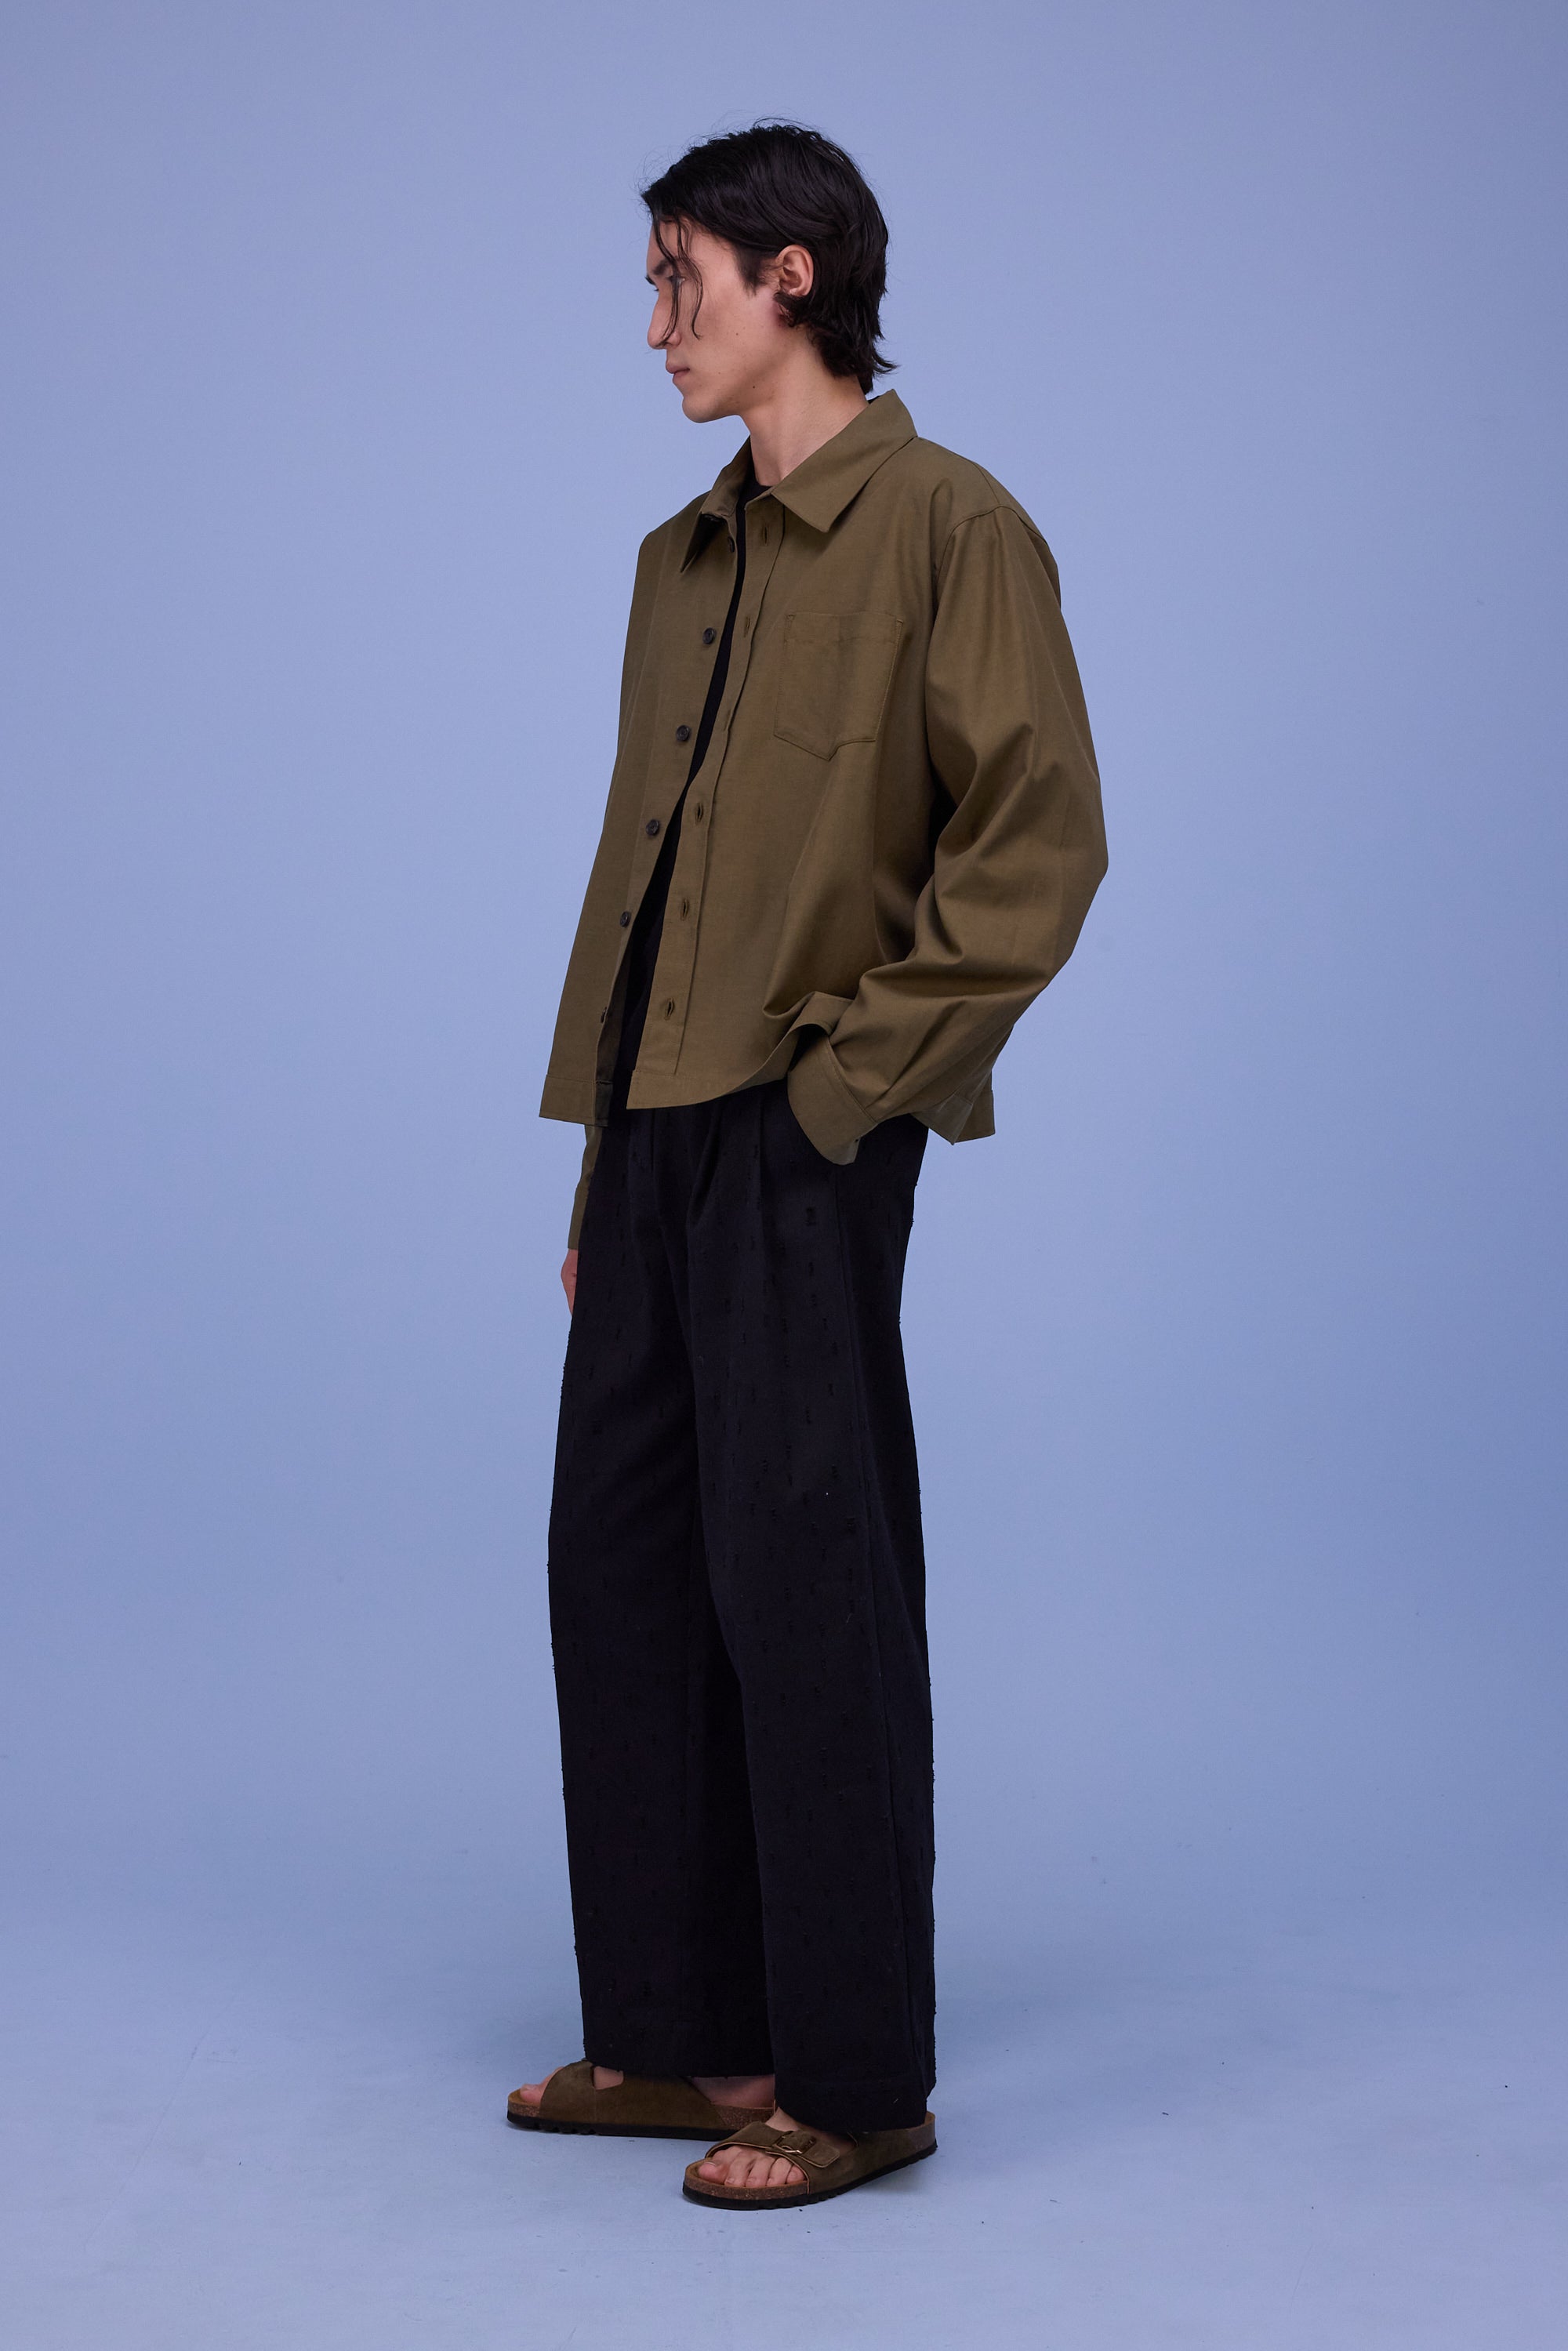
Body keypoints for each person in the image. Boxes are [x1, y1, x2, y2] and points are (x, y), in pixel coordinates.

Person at [509, 122, 1106, 2210]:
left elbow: (1037, 844)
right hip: (650, 1136)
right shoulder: (677, 563)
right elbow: (643, 884)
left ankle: (856, 2082)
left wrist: (849, 1093)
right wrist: (601, 1172)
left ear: (792, 276)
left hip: (799, 1124)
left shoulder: (953, 527)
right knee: (621, 1572)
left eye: (678, 278)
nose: (654, 326)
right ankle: (686, 2039)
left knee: (805, 1580)